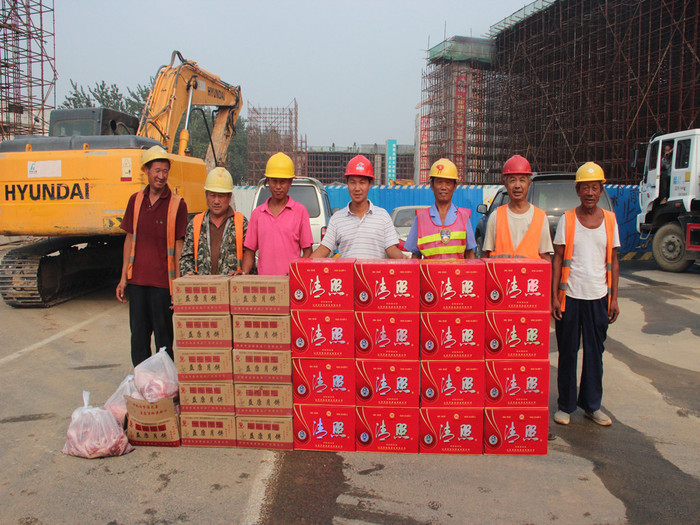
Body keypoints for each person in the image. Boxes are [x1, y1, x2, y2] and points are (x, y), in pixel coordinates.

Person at [552, 161, 620, 427]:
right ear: (577, 190)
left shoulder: (610, 220)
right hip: (570, 297)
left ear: (601, 190)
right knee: (568, 352)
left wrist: (614, 298)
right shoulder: (567, 219)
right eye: (585, 187)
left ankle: (592, 406)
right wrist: (554, 296)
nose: (590, 193)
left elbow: (614, 260)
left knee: (594, 354)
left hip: (598, 297)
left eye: (595, 187)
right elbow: (558, 259)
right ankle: (565, 406)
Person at [116, 145, 188, 366]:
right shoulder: (135, 201)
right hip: (137, 282)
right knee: (138, 338)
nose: (161, 176)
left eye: (165, 171)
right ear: (146, 171)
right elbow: (130, 239)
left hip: (162, 285)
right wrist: (123, 278)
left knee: (164, 341)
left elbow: (178, 245)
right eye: (157, 170)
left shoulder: (177, 204)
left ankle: (164, 383)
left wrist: (177, 285)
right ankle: (143, 380)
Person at [311, 154, 404, 259]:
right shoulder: (337, 219)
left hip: (373, 270)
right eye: (352, 182)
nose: (357, 188)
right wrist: (303, 265)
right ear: (347, 184)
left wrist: (406, 260)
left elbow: (391, 249)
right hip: (347, 271)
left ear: (369, 184)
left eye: (362, 183)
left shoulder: (383, 216)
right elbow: (323, 249)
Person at [242, 152, 313, 275]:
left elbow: (308, 250)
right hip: (264, 283)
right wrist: (243, 274)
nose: (278, 186)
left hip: (290, 282)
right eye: (274, 181)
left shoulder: (300, 211)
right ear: (268, 181)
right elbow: (250, 250)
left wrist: (297, 273)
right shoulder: (258, 213)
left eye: (283, 182)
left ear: (290, 182)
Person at [482, 154, 553, 261]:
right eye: (512, 180)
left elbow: (545, 258)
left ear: (529, 183)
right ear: (505, 184)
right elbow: (486, 256)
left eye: (522, 180)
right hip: (501, 273)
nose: (517, 185)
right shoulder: (495, 217)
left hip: (530, 273)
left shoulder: (540, 218)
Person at [179, 167, 247, 276]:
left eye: (221, 196)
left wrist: (243, 272)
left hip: (231, 285)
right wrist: (189, 275)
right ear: (206, 195)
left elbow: (249, 257)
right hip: (202, 285)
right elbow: (186, 258)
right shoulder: (196, 224)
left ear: (229, 197)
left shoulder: (240, 223)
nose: (216, 201)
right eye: (212, 195)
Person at [404, 158, 476, 259]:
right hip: (429, 270)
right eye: (439, 182)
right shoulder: (421, 218)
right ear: (432, 185)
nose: (443, 187)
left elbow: (469, 254)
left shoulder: (463, 217)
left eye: (448, 182)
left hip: (457, 270)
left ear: (455, 186)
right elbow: (415, 256)